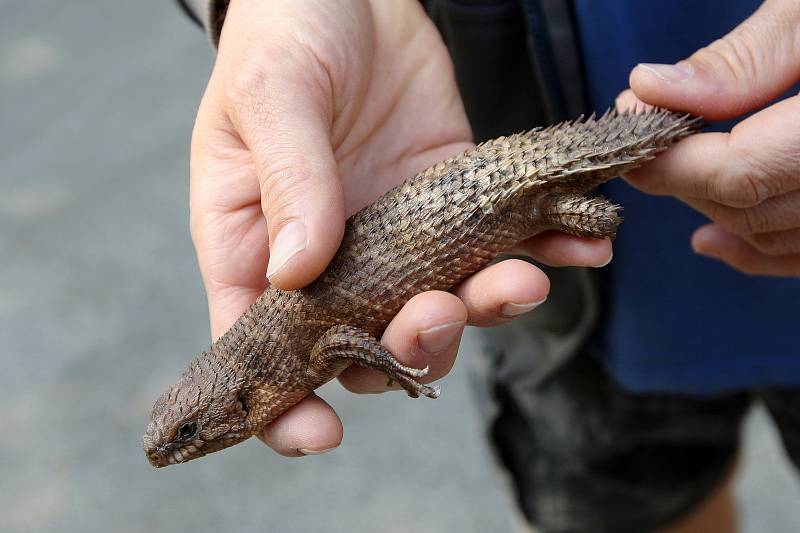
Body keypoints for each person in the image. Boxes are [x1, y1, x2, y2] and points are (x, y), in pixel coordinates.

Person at [178, 1, 800, 531]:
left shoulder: (295, 355)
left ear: (236, 406)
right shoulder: (279, 355)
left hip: (538, 189)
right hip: (573, 320)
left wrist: (395, 368)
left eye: (189, 433)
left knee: (600, 221)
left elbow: (341, 336)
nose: (183, 447)